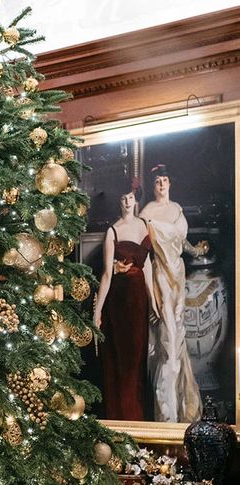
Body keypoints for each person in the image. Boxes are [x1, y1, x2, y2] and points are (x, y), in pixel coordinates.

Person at [140, 164, 206, 423]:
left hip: (178, 274)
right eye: (157, 180)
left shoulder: (177, 209)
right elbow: (143, 251)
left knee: (178, 336)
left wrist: (197, 251)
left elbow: (182, 242)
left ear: (170, 183)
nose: (161, 184)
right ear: (153, 184)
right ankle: (165, 415)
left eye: (165, 180)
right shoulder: (147, 213)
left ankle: (180, 408)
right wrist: (150, 294)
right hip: (161, 277)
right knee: (167, 341)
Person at [94, 188, 155, 420]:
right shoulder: (112, 231)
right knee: (120, 361)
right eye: (123, 197)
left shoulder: (144, 225)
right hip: (118, 304)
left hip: (138, 303)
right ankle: (120, 419)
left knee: (136, 362)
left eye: (131, 197)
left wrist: (153, 300)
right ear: (118, 201)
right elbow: (106, 274)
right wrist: (98, 311)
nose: (128, 201)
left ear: (135, 200)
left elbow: (147, 266)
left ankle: (137, 419)